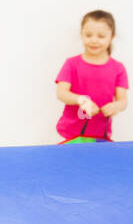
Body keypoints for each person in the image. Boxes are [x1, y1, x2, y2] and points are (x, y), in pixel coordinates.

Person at [55, 9, 129, 143]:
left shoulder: (118, 68)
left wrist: (116, 106)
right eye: (88, 35)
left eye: (101, 36)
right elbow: (61, 93)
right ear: (81, 34)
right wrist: (81, 100)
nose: (94, 40)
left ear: (111, 36)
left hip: (101, 136)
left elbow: (123, 100)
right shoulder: (72, 64)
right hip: (72, 135)